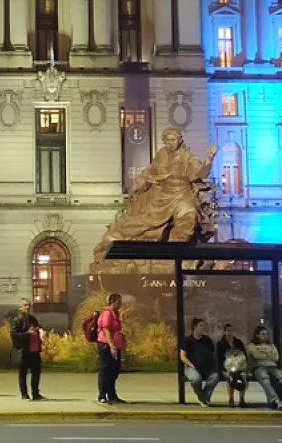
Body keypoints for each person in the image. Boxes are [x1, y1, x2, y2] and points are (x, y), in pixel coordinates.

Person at [92, 129, 216, 271]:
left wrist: (209, 160)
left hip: (182, 195)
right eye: (167, 140)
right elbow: (148, 173)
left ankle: (178, 254)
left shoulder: (187, 156)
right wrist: (136, 188)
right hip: (162, 196)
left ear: (180, 140)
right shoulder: (162, 155)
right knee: (141, 223)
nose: (170, 143)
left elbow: (201, 172)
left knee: (189, 215)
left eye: (173, 140)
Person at [246, 325, 282, 410]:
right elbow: (256, 355)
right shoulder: (252, 346)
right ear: (257, 335)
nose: (265, 336)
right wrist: (268, 355)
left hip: (273, 367)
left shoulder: (272, 346)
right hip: (259, 368)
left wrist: (263, 355)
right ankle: (277, 401)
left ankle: (277, 397)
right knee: (266, 381)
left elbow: (276, 357)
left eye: (267, 334)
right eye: (263, 334)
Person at [10, 298, 45, 401]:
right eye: (25, 305)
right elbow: (14, 334)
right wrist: (26, 334)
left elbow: (38, 327)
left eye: (29, 305)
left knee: (36, 372)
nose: (28, 307)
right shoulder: (17, 320)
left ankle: (35, 393)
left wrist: (41, 332)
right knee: (23, 373)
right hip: (24, 350)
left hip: (34, 349)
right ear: (20, 307)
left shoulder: (32, 319)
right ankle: (24, 394)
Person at [95, 292, 126, 405]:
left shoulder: (116, 313)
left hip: (116, 345)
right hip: (106, 345)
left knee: (114, 371)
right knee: (106, 370)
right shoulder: (107, 313)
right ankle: (102, 395)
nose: (120, 304)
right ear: (112, 302)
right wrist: (112, 346)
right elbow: (106, 330)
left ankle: (112, 395)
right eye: (118, 302)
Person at [180, 317, 218, 406]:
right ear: (195, 327)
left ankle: (203, 398)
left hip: (206, 368)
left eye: (204, 326)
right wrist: (190, 364)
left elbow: (213, 354)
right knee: (195, 379)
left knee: (215, 377)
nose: (203, 328)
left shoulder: (207, 340)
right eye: (201, 326)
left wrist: (214, 366)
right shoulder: (188, 340)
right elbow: (182, 356)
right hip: (191, 367)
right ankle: (203, 398)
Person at [215, 323, 249, 407]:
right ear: (224, 332)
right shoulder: (220, 344)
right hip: (227, 368)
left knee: (244, 376)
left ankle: (242, 399)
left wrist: (243, 364)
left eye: (231, 330)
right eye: (228, 330)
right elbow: (219, 359)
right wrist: (222, 370)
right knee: (230, 377)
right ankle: (231, 398)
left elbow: (244, 355)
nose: (230, 332)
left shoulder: (238, 342)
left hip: (239, 367)